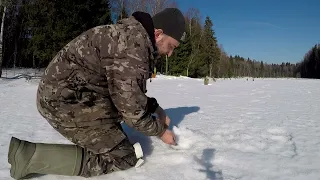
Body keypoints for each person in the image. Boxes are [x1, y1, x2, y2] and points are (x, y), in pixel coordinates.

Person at [7, 8, 186, 179]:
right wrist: (161, 131)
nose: (170, 54)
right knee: (123, 156)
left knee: (118, 127)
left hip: (73, 94)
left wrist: (155, 107)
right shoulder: (134, 48)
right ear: (158, 33)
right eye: (171, 46)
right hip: (63, 101)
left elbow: (126, 92)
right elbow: (132, 112)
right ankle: (28, 157)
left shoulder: (132, 37)